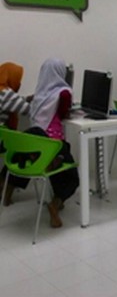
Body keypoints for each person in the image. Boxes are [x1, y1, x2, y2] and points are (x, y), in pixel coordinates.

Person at [29, 58, 79, 228]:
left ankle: (7, 191)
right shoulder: (64, 93)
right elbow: (64, 114)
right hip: (53, 145)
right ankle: (55, 204)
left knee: (62, 159)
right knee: (72, 177)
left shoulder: (38, 93)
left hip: (35, 144)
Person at [0, 62, 32, 205]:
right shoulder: (5, 94)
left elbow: (15, 101)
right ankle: (5, 186)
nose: (19, 83)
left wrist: (27, 98)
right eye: (18, 78)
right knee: (26, 150)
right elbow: (29, 110)